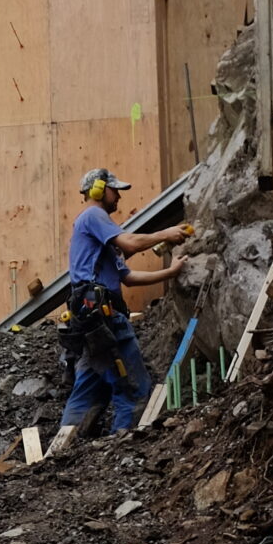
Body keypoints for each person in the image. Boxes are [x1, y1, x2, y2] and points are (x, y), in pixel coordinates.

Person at [50, 170, 189, 450]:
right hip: (103, 318)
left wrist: (171, 272)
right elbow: (130, 242)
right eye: (115, 190)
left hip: (91, 318)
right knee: (133, 389)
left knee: (90, 389)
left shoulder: (100, 235)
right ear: (99, 190)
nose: (119, 196)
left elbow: (126, 277)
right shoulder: (95, 216)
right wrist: (165, 233)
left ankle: (59, 453)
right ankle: (120, 452)